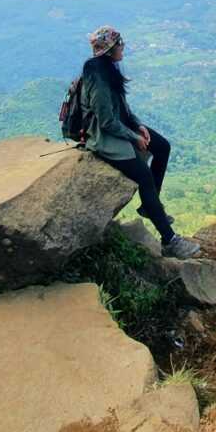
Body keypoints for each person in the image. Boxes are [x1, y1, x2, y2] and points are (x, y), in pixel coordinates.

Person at [81, 25, 201, 259]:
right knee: (144, 176)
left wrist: (138, 126)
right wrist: (134, 137)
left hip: (121, 127)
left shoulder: (108, 68)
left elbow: (122, 109)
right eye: (120, 44)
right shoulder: (96, 74)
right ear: (109, 49)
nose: (123, 47)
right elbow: (106, 121)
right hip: (103, 136)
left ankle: (150, 206)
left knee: (162, 146)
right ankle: (170, 240)